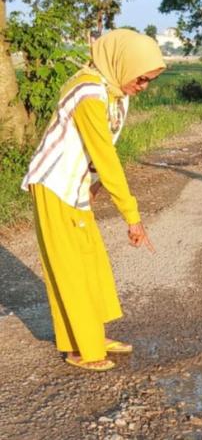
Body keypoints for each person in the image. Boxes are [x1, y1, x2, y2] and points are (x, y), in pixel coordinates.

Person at [21, 28, 166, 371]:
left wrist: (95, 185)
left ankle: (93, 335)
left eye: (149, 81)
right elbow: (106, 156)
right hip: (55, 185)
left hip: (77, 185)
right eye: (141, 78)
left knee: (91, 263)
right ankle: (81, 349)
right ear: (122, 63)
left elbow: (102, 150)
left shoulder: (113, 92)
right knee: (69, 268)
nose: (143, 86)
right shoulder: (88, 91)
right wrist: (132, 216)